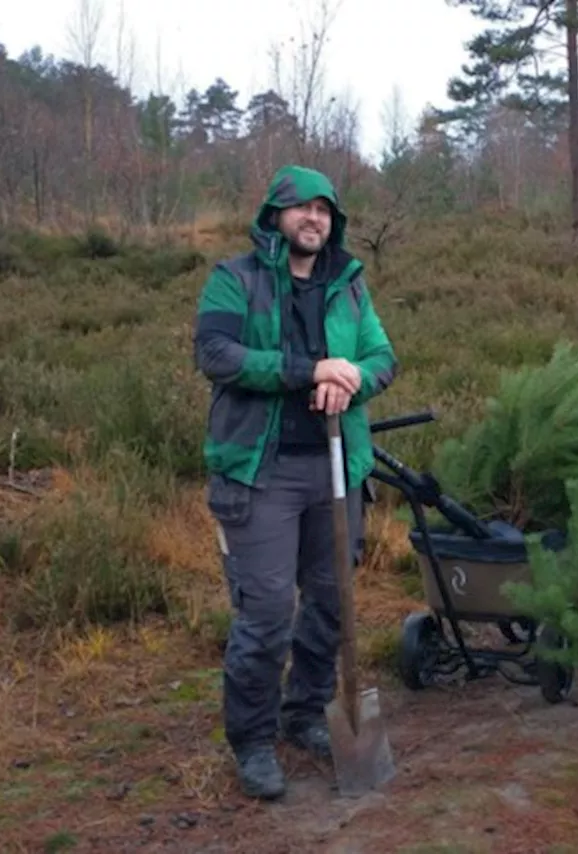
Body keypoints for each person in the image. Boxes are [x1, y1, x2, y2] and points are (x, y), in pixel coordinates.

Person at [193, 164, 399, 800]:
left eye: (325, 210)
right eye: (301, 208)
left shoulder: (349, 285)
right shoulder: (235, 280)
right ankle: (252, 741)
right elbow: (218, 356)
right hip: (262, 472)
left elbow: (382, 358)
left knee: (332, 602)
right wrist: (310, 370)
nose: (314, 218)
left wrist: (352, 379)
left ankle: (305, 712)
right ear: (274, 215)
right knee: (267, 613)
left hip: (337, 466)